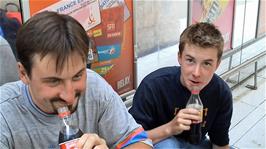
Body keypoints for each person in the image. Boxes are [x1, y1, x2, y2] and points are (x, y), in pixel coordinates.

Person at [0, 11, 152, 149]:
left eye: (77, 76)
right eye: (53, 81)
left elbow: (141, 143)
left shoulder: (94, 86)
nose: (69, 97)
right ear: (23, 73)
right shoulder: (4, 112)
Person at [129, 22, 233, 149]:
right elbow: (130, 141)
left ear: (217, 64)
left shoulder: (221, 92)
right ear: (179, 57)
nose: (196, 73)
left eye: (206, 64)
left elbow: (220, 143)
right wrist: (170, 128)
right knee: (168, 145)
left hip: (197, 144)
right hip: (157, 143)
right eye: (190, 60)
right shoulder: (153, 86)